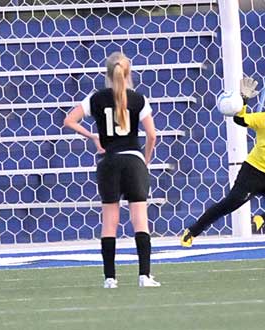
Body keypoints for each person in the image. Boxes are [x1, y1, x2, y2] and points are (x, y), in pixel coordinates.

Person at [64, 52, 160, 288]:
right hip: (133, 160)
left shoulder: (96, 98)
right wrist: (145, 160)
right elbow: (152, 135)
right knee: (140, 220)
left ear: (107, 73)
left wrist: (94, 137)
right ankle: (144, 276)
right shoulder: (139, 99)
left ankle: (110, 278)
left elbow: (69, 120)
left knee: (109, 222)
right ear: (128, 73)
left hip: (109, 162)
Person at [180, 79, 265, 247]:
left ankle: (262, 219)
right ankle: (192, 231)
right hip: (253, 172)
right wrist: (243, 100)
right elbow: (240, 120)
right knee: (229, 204)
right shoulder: (264, 119)